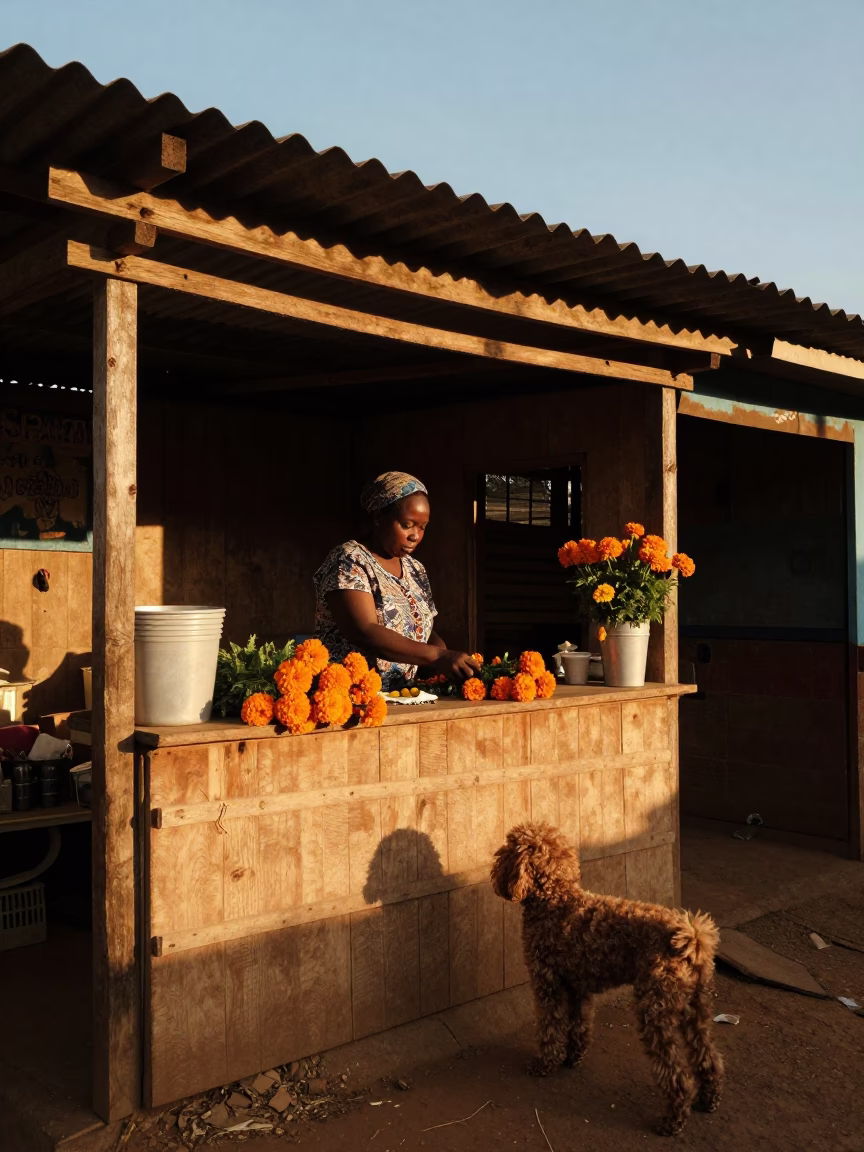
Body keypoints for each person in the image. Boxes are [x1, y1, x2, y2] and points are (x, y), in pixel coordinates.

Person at [314, 471, 480, 690]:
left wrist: (448, 664)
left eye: (422, 527)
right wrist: (438, 656)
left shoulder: (415, 568)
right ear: (378, 518)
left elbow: (425, 629)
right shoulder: (349, 559)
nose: (416, 536)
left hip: (402, 696)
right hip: (351, 698)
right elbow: (364, 630)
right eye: (406, 524)